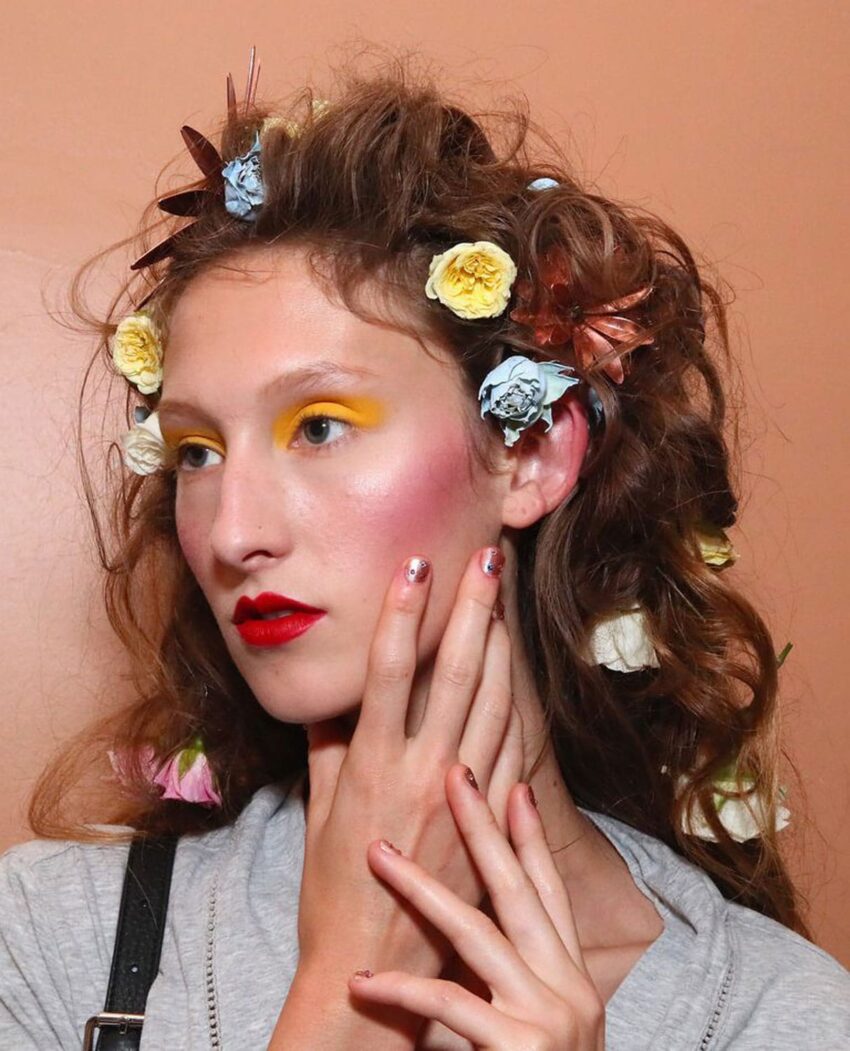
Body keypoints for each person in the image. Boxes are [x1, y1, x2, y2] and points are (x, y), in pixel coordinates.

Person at [1, 51, 848, 1051]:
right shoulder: (55, 942)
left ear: (528, 452)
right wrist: (342, 1000)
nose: (232, 532)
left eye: (318, 426)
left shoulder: (775, 1018)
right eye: (196, 449)